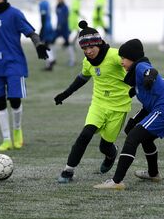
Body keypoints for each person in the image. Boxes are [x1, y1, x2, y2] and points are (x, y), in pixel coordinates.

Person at [94, 39, 164, 190]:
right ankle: (153, 174)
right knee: (145, 139)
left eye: (124, 58)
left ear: (133, 58)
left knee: (133, 138)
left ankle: (116, 181)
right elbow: (148, 105)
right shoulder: (136, 79)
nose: (121, 61)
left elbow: (151, 71)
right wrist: (134, 121)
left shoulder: (141, 66)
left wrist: (149, 77)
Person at [54, 21, 131, 184]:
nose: (88, 51)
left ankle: (111, 153)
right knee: (85, 134)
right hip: (98, 104)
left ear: (99, 43)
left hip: (118, 107)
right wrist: (65, 94)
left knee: (105, 146)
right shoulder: (87, 62)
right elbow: (82, 78)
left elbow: (135, 65)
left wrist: (142, 82)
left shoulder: (115, 55)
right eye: (84, 48)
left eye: (91, 47)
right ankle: (68, 170)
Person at [0, 0, 50, 151]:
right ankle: (6, 139)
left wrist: (38, 44)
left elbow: (30, 32)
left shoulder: (15, 14)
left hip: (14, 63)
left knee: (15, 99)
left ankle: (17, 131)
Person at [35, 0, 56, 71]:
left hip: (46, 26)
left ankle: (50, 61)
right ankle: (51, 60)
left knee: (44, 45)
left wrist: (41, 29)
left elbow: (43, 17)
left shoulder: (42, 3)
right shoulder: (46, 2)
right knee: (47, 44)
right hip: (49, 25)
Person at [54, 0, 75, 66]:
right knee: (51, 42)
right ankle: (52, 59)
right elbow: (58, 17)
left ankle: (72, 60)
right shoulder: (57, 6)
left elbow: (65, 18)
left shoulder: (65, 7)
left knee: (68, 44)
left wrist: (61, 26)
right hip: (58, 29)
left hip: (64, 29)